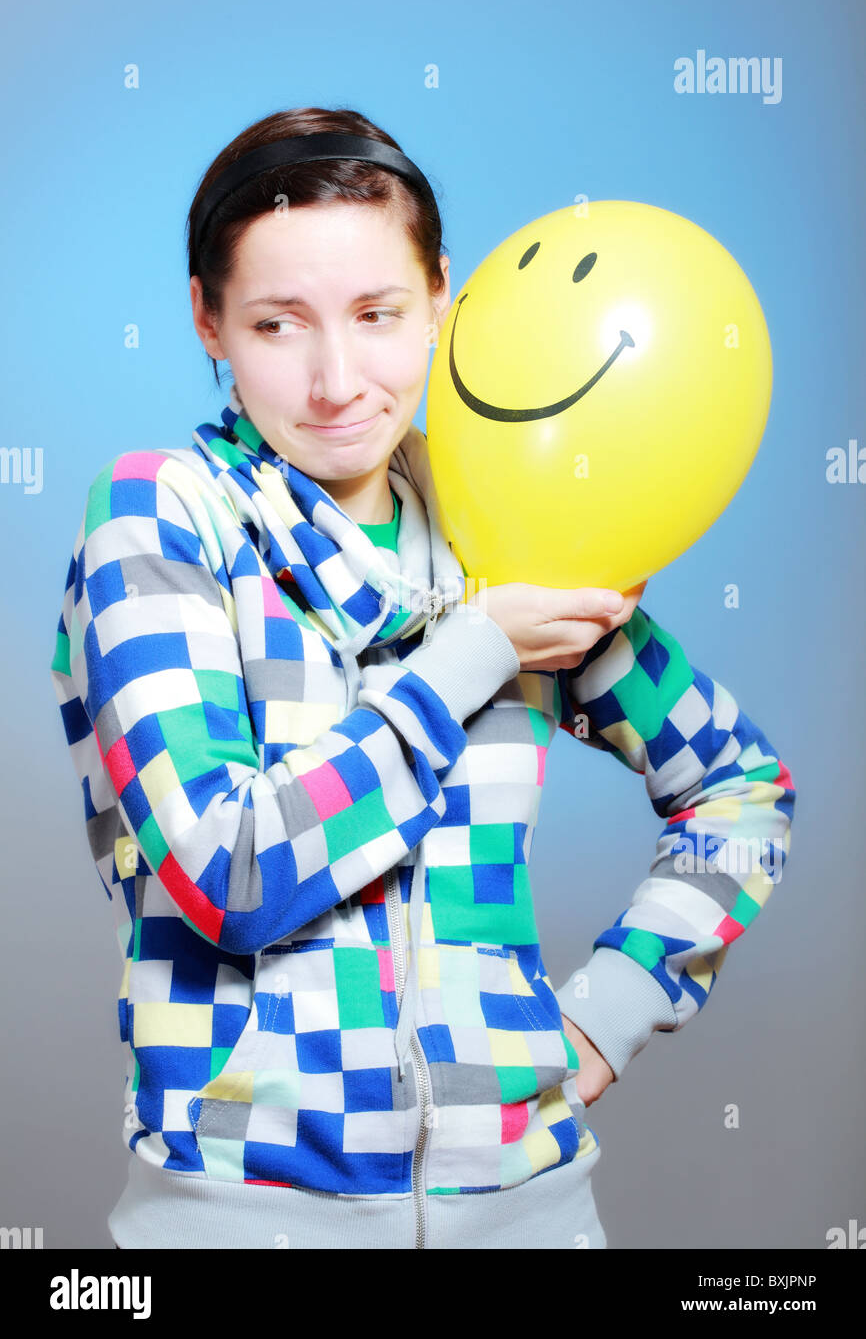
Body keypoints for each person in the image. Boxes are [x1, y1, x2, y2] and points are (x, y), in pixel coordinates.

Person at [49, 106, 796, 1251]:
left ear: (444, 294)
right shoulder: (159, 518)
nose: (336, 379)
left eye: (378, 314)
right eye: (275, 323)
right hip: (239, 1221)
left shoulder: (509, 520)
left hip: (531, 1216)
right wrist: (471, 655)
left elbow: (739, 790)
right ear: (207, 319)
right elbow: (231, 872)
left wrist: (606, 1015)